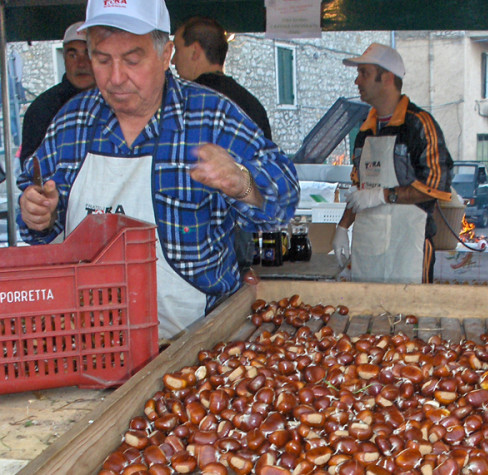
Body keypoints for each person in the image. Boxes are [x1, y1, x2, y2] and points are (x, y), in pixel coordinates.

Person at [16, 0, 299, 341]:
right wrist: (37, 214)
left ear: (166, 55)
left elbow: (283, 202)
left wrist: (241, 182)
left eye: (132, 60)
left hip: (195, 344)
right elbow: (40, 225)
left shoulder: (212, 117)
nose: (116, 77)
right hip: (91, 340)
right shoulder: (71, 122)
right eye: (103, 60)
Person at [332, 43, 453, 284]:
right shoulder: (365, 131)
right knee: (365, 317)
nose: (357, 81)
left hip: (409, 246)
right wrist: (343, 227)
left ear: (386, 77)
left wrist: (383, 196)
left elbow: (437, 184)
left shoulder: (418, 125)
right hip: (369, 248)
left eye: (363, 73)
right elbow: (359, 190)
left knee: (409, 317)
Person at [172, 16, 273, 274]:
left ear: (195, 51)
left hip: (192, 242)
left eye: (177, 50)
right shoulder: (251, 106)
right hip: (240, 245)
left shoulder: (181, 106)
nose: (173, 61)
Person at [19, 21, 95, 167]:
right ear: (64, 58)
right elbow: (32, 172)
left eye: (88, 53)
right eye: (73, 55)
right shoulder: (41, 110)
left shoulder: (117, 104)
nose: (81, 63)